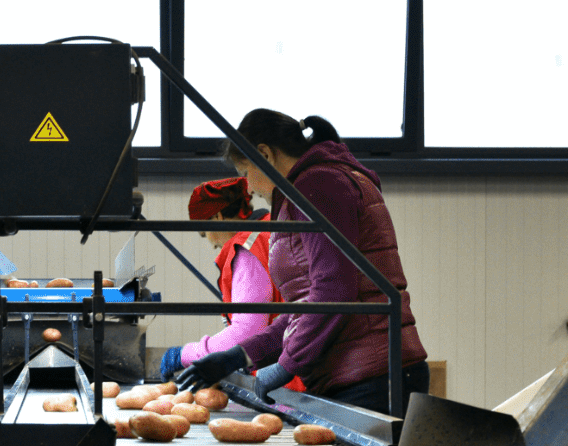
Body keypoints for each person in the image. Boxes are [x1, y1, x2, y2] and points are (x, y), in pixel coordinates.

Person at [175, 110, 429, 416]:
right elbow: (306, 307)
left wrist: (285, 365)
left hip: (371, 376)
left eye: (245, 172)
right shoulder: (311, 187)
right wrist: (240, 355)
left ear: (265, 154)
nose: (249, 187)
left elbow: (334, 292)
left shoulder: (318, 185)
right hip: (363, 372)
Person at [156, 176, 303, 394]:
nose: (211, 243)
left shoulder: (248, 248)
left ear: (217, 216)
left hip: (285, 382)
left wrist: (184, 354)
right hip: (297, 364)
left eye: (204, 232)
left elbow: (247, 331)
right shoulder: (271, 228)